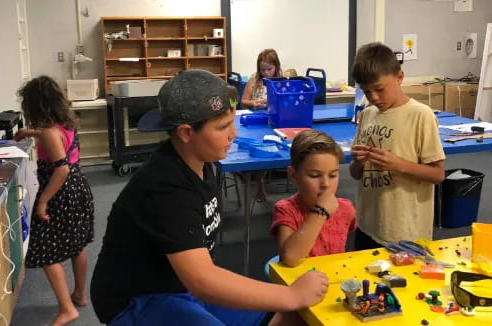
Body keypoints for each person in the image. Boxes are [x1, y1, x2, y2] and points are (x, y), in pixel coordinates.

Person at [90, 69, 328, 326]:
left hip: (181, 285)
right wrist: (291, 294)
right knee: (289, 304)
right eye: (223, 127)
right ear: (185, 133)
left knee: (291, 317)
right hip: (138, 299)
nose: (233, 134)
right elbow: (203, 281)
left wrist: (291, 301)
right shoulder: (165, 188)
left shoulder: (204, 164)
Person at [349, 42, 446, 250]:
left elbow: (438, 175)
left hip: (404, 230)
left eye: (379, 89)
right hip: (367, 224)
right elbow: (356, 174)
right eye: (367, 92)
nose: (373, 97)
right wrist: (357, 162)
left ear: (399, 77)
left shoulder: (421, 115)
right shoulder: (367, 114)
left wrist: (397, 164)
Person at [16, 75, 94, 326]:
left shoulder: (49, 131)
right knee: (77, 243)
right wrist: (32, 132)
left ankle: (66, 308)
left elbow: (60, 169)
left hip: (59, 191)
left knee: (44, 249)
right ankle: (80, 295)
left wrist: (42, 202)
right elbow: (56, 140)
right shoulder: (67, 123)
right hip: (78, 187)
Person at [270, 130, 357, 267]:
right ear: (293, 176)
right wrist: (320, 212)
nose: (326, 184)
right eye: (314, 175)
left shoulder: (346, 209)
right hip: (299, 285)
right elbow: (290, 258)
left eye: (333, 175)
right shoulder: (286, 210)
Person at [241, 48, 283, 202]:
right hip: (258, 120)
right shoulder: (254, 79)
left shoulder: (282, 80)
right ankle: (260, 183)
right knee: (260, 148)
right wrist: (254, 103)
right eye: (262, 69)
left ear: (276, 67)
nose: (266, 73)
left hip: (277, 120)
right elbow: (243, 101)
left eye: (269, 69)